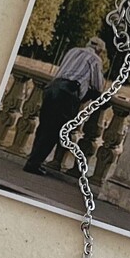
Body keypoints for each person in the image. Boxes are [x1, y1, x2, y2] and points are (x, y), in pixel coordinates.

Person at [23, 37, 107, 175]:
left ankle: (33, 159)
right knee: (54, 131)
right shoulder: (95, 59)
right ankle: (33, 164)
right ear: (100, 51)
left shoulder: (73, 51)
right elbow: (98, 86)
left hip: (52, 87)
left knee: (43, 127)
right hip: (67, 93)